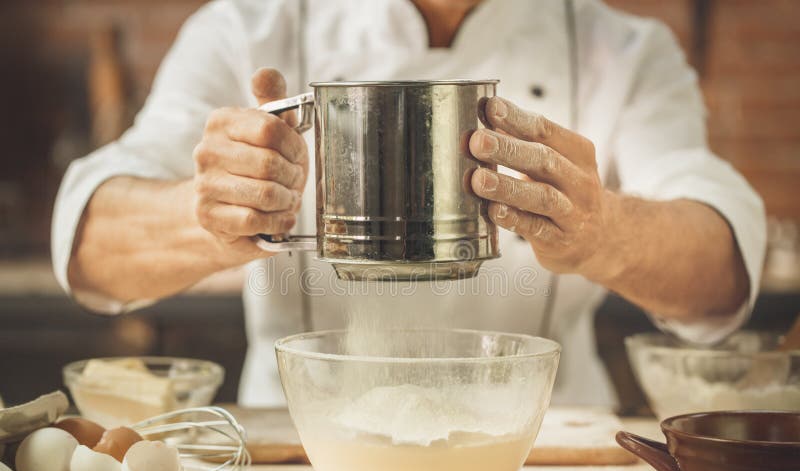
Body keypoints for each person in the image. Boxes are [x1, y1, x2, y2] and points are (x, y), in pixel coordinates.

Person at [52, 0, 766, 407]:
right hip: (303, 458)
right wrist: (202, 212)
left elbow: (722, 274)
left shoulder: (624, 48)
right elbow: (87, 245)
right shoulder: (247, 25)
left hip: (545, 457)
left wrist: (606, 232)